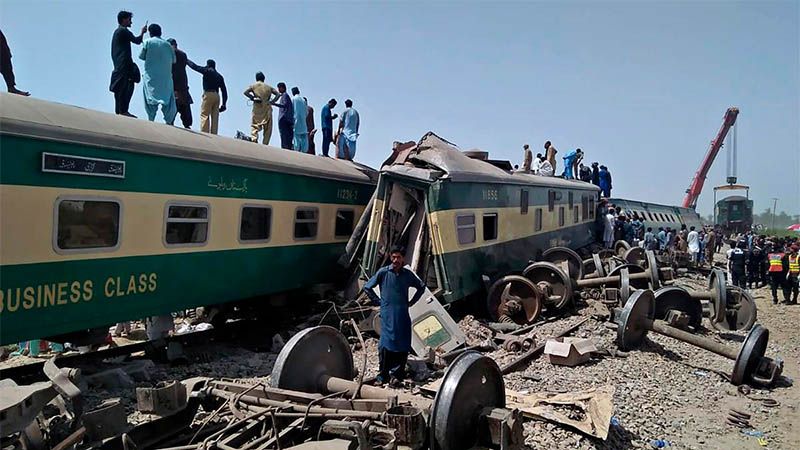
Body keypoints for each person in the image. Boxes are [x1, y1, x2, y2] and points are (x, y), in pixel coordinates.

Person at [363, 246, 426, 385]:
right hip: (387, 314)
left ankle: (397, 375)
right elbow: (367, 287)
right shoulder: (383, 272)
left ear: (403, 258)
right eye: (393, 257)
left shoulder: (407, 275)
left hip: (402, 314)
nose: (396, 260)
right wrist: (378, 301)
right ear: (390, 257)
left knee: (403, 344)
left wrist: (412, 302)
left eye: (398, 257)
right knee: (385, 344)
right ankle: (383, 376)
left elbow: (421, 287)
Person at [110, 11, 146, 116]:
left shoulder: (118, 31)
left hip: (120, 64)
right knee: (125, 87)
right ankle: (123, 111)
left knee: (121, 87)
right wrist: (142, 32)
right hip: (124, 64)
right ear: (124, 20)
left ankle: (120, 111)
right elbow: (137, 40)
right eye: (129, 19)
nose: (131, 22)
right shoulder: (123, 31)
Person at [138, 24, 176, 124]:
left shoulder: (147, 42)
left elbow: (141, 56)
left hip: (151, 77)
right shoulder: (168, 45)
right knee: (168, 102)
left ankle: (151, 120)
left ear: (150, 33)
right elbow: (173, 60)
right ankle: (169, 122)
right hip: (166, 79)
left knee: (150, 100)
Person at [187, 59, 227, 134]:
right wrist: (224, 104)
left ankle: (205, 133)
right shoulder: (219, 76)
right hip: (217, 96)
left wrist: (186, 60)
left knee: (204, 114)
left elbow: (194, 66)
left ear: (208, 65)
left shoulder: (206, 70)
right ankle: (214, 134)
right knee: (215, 117)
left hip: (208, 94)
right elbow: (224, 91)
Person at [243, 72, 279, 144]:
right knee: (268, 128)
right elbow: (277, 94)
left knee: (254, 125)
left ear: (256, 78)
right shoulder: (269, 87)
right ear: (264, 79)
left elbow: (245, 92)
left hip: (257, 108)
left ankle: (254, 139)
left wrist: (252, 97)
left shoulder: (253, 86)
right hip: (267, 108)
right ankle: (265, 143)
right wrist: (272, 102)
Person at [167, 39, 192, 128]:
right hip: (183, 84)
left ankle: (170, 122)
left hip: (174, 83)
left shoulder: (170, 53)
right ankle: (187, 124)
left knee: (173, 105)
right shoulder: (183, 54)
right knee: (184, 105)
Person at [0, 30, 29, 96]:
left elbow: (3, 42)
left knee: (7, 69)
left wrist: (7, 52)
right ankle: (11, 88)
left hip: (3, 53)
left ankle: (11, 88)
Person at [273, 82, 293, 149]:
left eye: (279, 88)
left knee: (284, 136)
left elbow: (284, 105)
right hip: (288, 119)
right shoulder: (286, 96)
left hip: (283, 119)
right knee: (287, 137)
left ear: (282, 88)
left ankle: (285, 149)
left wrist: (274, 104)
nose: (278, 90)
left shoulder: (284, 95)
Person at [290, 87, 308, 152]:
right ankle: (304, 150)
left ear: (292, 93)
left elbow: (291, 110)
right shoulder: (303, 100)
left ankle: (296, 150)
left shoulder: (293, 99)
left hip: (296, 120)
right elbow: (306, 112)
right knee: (304, 136)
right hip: (303, 121)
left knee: (296, 136)